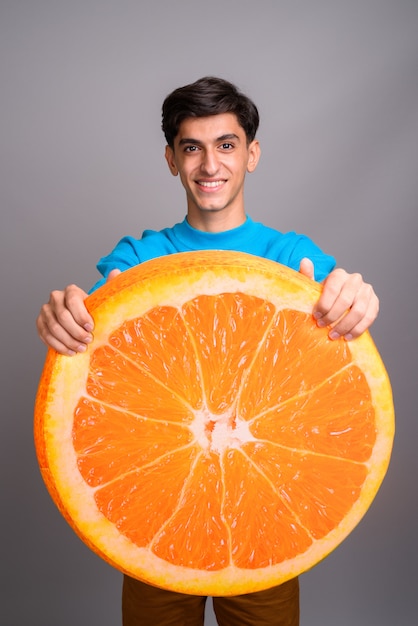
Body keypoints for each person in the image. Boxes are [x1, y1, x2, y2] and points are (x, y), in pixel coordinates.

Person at [36, 76, 379, 626]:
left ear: (252, 154)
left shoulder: (292, 256)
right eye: (191, 147)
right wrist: (65, 318)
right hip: (159, 508)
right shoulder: (139, 258)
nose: (209, 164)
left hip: (264, 512)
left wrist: (355, 297)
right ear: (172, 159)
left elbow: (340, 305)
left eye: (226, 145)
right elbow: (98, 341)